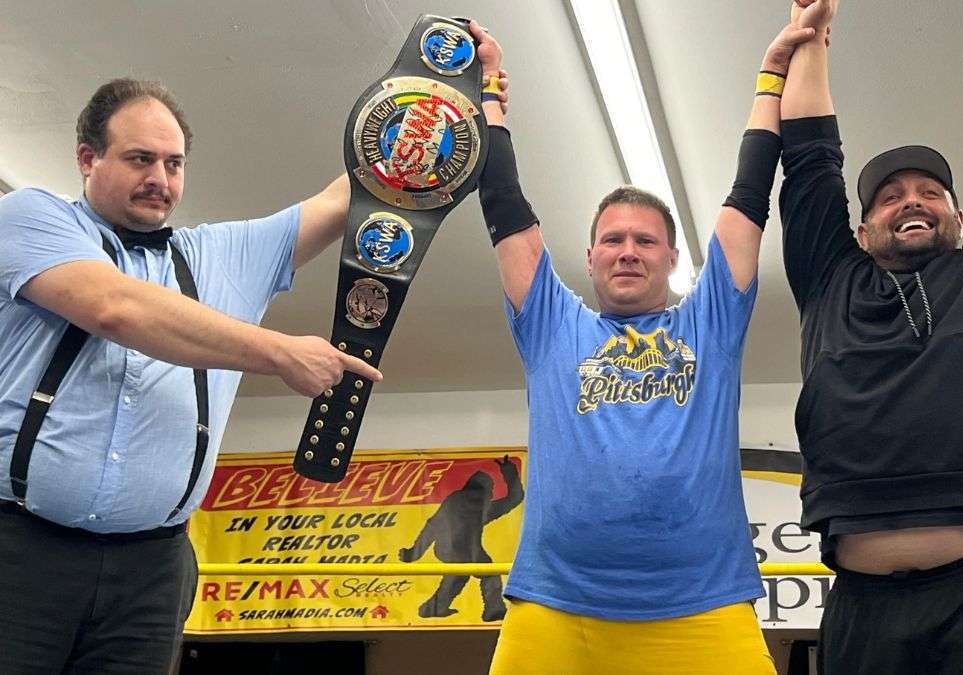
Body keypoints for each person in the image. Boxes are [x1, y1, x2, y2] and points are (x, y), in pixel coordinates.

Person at [465, 15, 821, 675]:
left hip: (703, 606)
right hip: (556, 608)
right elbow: (505, 204)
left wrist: (772, 75)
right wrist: (487, 94)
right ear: (591, 254)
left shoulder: (709, 320)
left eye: (645, 239)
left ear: (672, 256)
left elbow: (749, 197)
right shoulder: (551, 322)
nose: (628, 250)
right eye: (614, 239)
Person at [0, 78, 381, 674]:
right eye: (139, 159)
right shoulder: (29, 218)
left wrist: (446, 101)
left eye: (174, 163)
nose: (161, 178)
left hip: (152, 571)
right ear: (86, 158)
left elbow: (350, 196)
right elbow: (115, 309)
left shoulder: (225, 255)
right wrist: (278, 352)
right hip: (19, 552)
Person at [778, 1, 963, 672]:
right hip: (863, 603)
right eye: (889, 195)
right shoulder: (829, 280)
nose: (911, 199)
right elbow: (809, 159)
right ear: (861, 231)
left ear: (960, 216)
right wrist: (810, 30)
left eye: (930, 190)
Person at [398, 456, 524, 622]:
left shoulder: (456, 502)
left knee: (458, 575)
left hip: (449, 549)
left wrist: (413, 554)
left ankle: (432, 608)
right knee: (488, 573)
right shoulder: (481, 506)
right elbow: (514, 498)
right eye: (491, 490)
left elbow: (432, 526)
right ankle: (493, 609)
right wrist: (510, 473)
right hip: (466, 550)